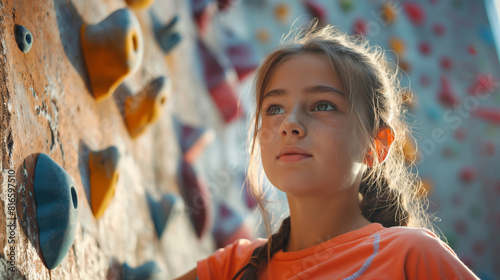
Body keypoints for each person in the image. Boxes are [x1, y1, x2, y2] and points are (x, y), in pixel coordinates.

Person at [175, 21, 479, 280]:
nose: (288, 124)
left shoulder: (410, 256)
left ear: (377, 145)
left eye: (323, 106)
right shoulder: (232, 267)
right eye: (275, 108)